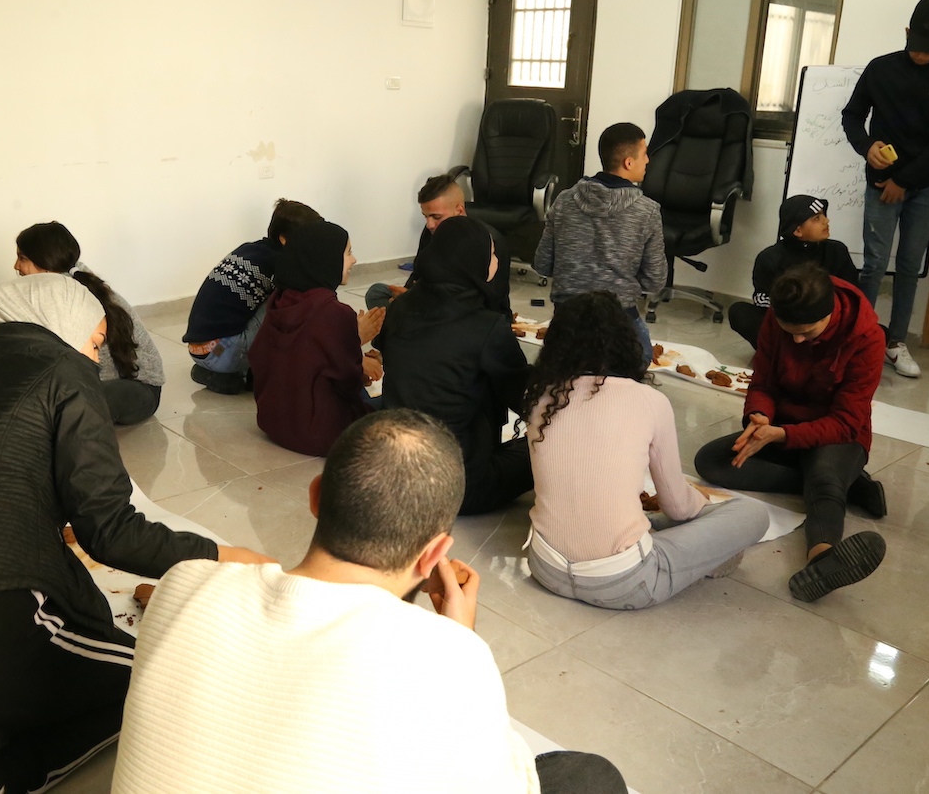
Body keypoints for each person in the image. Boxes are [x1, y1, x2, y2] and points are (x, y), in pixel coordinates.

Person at [0, 275, 272, 794]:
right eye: (94, 342)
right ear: (63, 325)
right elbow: (111, 530)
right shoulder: (64, 370)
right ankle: (1, 782)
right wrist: (223, 555)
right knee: (143, 677)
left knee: (18, 682)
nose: (93, 358)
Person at [113, 409, 628, 794]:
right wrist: (457, 638)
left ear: (315, 497)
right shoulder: (451, 659)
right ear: (435, 555)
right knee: (587, 776)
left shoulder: (183, 584)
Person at [524, 291, 769, 610]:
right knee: (751, 513)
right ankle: (709, 553)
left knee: (643, 517)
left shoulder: (541, 399)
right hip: (625, 585)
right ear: (626, 341)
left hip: (545, 567)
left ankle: (695, 545)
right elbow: (679, 508)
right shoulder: (649, 401)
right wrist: (708, 511)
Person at [694, 262, 888, 603]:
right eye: (790, 332)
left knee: (824, 476)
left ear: (830, 314)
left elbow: (846, 421)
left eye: (806, 333)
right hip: (781, 426)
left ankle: (822, 558)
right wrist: (759, 417)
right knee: (712, 461)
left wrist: (782, 436)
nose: (797, 340)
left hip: (837, 435)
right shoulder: (777, 318)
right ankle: (849, 485)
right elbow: (763, 383)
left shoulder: (867, 337)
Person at [842, 0, 929, 378]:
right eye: (916, 46)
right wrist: (867, 147)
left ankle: (896, 343)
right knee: (874, 264)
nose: (922, 55)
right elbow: (852, 116)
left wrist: (904, 180)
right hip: (880, 181)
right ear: (906, 32)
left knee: (910, 265)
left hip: (924, 185)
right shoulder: (881, 68)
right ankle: (860, 340)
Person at [373, 216, 533, 515]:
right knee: (541, 451)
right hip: (456, 485)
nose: (497, 261)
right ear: (473, 261)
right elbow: (523, 395)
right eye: (492, 254)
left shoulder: (401, 307)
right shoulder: (486, 325)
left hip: (396, 472)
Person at [534, 122, 666, 365]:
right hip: (618, 319)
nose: (648, 160)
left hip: (567, 319)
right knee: (643, 357)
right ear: (629, 162)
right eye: (645, 154)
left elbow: (542, 264)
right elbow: (655, 281)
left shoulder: (563, 201)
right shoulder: (647, 211)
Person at [248, 220, 381, 457]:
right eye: (348, 253)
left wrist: (353, 347)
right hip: (321, 435)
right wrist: (356, 354)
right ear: (326, 258)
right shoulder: (335, 313)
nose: (353, 260)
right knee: (398, 404)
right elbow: (348, 384)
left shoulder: (279, 300)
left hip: (274, 423)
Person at [14, 221, 164, 425]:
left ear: (45, 262)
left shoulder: (71, 296)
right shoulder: (52, 290)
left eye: (22, 258)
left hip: (137, 389)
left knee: (62, 408)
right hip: (90, 384)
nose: (16, 266)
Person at [184, 199, 324, 394]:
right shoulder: (281, 264)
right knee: (294, 302)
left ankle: (219, 372)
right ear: (284, 239)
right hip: (222, 353)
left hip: (201, 351)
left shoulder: (249, 249)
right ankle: (238, 372)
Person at [365, 173, 513, 321]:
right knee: (377, 292)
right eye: (426, 216)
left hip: (464, 311)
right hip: (429, 303)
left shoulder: (487, 241)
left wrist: (422, 302)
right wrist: (407, 295)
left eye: (436, 217)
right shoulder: (432, 232)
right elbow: (418, 273)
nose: (429, 224)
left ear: (459, 210)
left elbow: (492, 298)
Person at [728, 196, 860, 350]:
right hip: (786, 325)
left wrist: (819, 315)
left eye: (824, 215)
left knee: (877, 332)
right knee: (739, 312)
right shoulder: (770, 257)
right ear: (798, 230)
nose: (826, 221)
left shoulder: (837, 251)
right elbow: (762, 298)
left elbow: (852, 293)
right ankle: (786, 353)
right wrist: (793, 315)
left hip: (826, 322)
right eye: (817, 218)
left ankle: (805, 352)